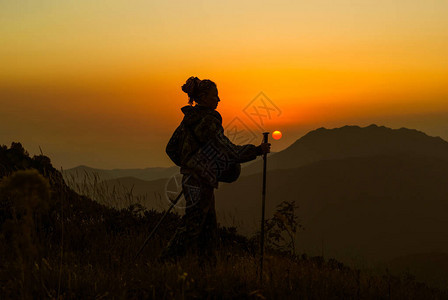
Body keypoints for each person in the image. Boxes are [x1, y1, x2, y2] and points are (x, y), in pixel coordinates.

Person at [159, 76, 271, 266]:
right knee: (193, 226)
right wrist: (257, 151)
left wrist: (188, 164)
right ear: (203, 97)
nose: (218, 100)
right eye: (215, 96)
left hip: (194, 178)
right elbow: (228, 150)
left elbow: (171, 148)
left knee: (208, 228)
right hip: (200, 181)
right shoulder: (208, 121)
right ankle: (165, 263)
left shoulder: (188, 119)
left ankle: (208, 270)